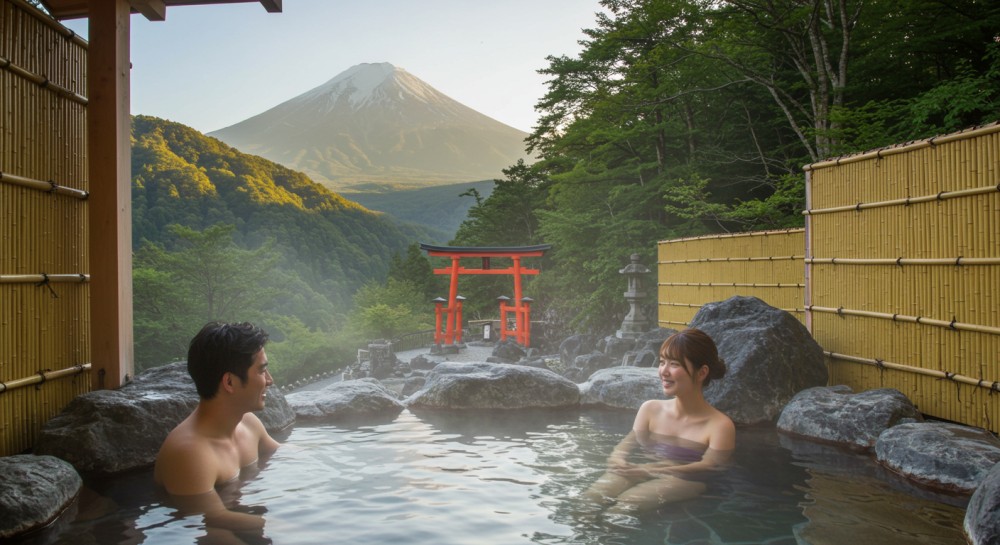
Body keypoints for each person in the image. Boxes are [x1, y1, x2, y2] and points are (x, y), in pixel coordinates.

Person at [583, 328, 735, 514]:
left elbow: (710, 465)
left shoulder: (719, 425)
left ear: (701, 372)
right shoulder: (650, 409)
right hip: (642, 469)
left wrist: (649, 470)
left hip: (687, 480)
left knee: (626, 505)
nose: (664, 371)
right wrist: (617, 458)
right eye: (662, 362)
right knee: (590, 500)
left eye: (674, 364)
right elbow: (629, 441)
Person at [154, 321, 281, 538]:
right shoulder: (190, 453)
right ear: (229, 382)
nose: (270, 380)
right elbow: (211, 520)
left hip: (241, 516)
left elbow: (283, 453)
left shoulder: (248, 424)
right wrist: (291, 524)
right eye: (262, 370)